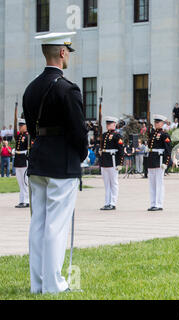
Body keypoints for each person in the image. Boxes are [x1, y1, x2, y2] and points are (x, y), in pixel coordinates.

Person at [23, 32, 88, 294]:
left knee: (38, 222)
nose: (69, 56)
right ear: (62, 53)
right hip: (61, 163)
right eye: (68, 51)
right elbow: (78, 131)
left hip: (38, 161)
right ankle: (53, 284)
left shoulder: (31, 88)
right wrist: (81, 155)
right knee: (55, 225)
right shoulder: (67, 88)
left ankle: (37, 284)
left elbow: (31, 128)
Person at [147, 114, 172, 211]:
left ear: (162, 123)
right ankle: (153, 203)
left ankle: (159, 204)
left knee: (159, 183)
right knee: (152, 184)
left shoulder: (164, 135)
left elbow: (168, 150)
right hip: (152, 160)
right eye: (155, 122)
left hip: (159, 160)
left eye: (158, 122)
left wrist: (166, 162)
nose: (156, 124)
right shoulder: (152, 134)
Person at [99, 116, 124, 211]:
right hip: (105, 160)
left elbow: (121, 150)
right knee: (106, 184)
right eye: (107, 124)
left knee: (113, 183)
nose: (108, 125)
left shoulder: (117, 135)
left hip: (113, 161)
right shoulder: (104, 135)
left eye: (110, 124)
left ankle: (113, 203)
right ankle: (107, 202)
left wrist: (120, 163)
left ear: (114, 124)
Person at [13, 119, 30, 208]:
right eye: (19, 126)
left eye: (21, 125)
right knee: (20, 182)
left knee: (25, 181)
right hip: (18, 160)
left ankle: (27, 201)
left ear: (25, 126)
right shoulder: (19, 136)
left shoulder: (27, 136)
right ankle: (21, 200)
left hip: (23, 160)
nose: (20, 127)